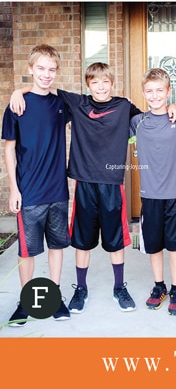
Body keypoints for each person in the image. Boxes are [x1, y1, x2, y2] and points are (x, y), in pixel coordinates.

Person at [10, 61, 148, 314]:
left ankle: (119, 287)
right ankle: (80, 288)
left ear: (112, 83)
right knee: (82, 242)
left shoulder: (123, 106)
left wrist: (173, 109)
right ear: (87, 85)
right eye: (95, 82)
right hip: (84, 183)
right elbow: (45, 90)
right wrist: (17, 92)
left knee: (115, 241)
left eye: (105, 81)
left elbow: (150, 120)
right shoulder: (78, 103)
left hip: (112, 184)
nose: (101, 87)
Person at [2, 44, 71, 326]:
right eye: (40, 68)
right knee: (27, 251)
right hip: (28, 191)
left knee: (57, 246)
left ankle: (54, 296)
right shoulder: (16, 106)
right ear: (30, 69)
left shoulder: (60, 104)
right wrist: (14, 190)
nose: (46, 74)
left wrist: (23, 89)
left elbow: (85, 104)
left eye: (51, 69)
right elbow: (9, 149)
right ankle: (25, 301)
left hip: (57, 190)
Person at [129, 69, 176, 317]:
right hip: (149, 195)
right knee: (153, 246)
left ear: (169, 91)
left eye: (160, 90)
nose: (154, 95)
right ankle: (159, 286)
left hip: (175, 194)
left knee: (174, 246)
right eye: (149, 91)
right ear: (143, 93)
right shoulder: (137, 122)